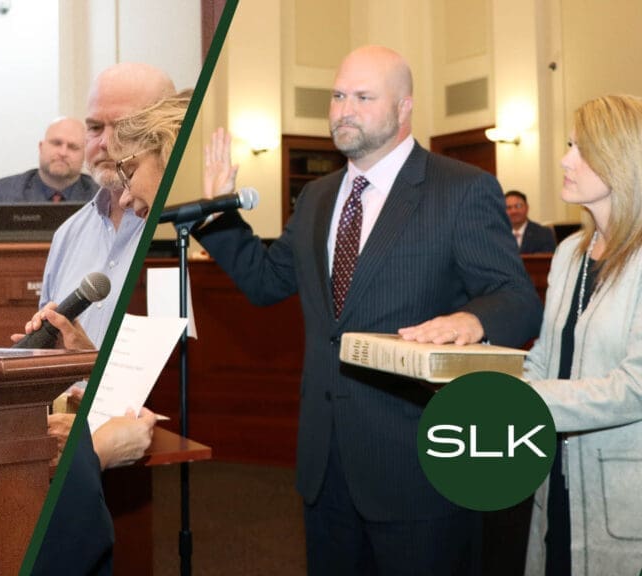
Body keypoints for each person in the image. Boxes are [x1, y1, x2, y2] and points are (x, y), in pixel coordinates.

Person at [192, 45, 541, 575]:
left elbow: (517, 299)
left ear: (404, 107)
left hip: (417, 465)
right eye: (337, 96)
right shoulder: (317, 196)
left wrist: (470, 321)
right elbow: (266, 283)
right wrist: (219, 213)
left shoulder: (461, 189)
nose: (343, 111)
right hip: (325, 463)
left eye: (362, 97)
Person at [522, 94, 642, 575]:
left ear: (621, 158)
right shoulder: (570, 252)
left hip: (623, 492)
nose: (564, 160)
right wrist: (491, 386)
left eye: (580, 148)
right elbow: (545, 356)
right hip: (555, 476)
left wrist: (524, 401)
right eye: (569, 145)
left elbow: (634, 387)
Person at [35, 62, 176, 349]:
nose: (105, 143)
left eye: (124, 127)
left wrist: (89, 362)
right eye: (95, 128)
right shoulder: (67, 234)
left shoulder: (178, 229)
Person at [0, 117, 97, 204]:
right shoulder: (3, 193)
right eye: (56, 143)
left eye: (73, 147)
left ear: (85, 155)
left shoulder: (101, 196)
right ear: (41, 147)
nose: (63, 153)